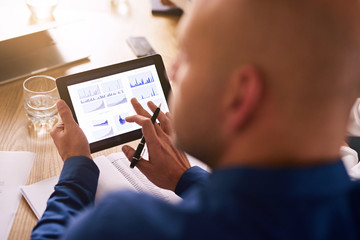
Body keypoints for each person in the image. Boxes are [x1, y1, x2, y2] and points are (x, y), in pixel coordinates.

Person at [31, 0, 360, 239]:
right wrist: (186, 180)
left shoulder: (126, 226)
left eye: (186, 56)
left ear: (240, 96)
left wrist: (77, 167)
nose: (172, 71)